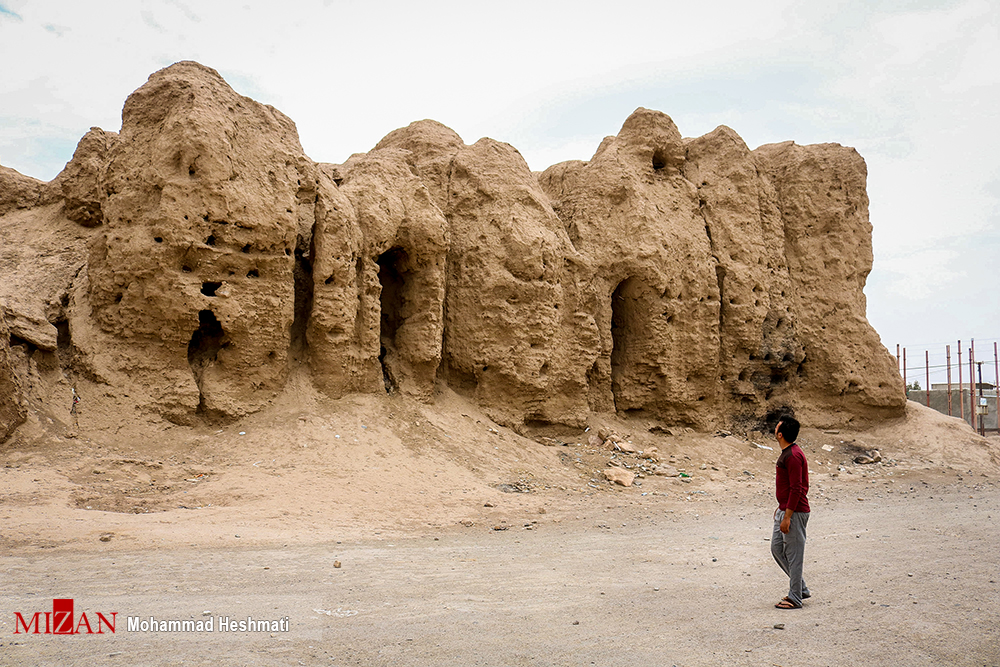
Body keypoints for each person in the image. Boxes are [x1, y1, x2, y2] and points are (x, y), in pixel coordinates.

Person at [771, 416, 811, 609]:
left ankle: (795, 597)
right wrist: (780, 508)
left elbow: (798, 488)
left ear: (780, 434)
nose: (775, 426)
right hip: (786, 509)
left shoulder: (793, 455)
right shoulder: (788, 453)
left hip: (795, 512)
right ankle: (800, 587)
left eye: (777, 425)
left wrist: (787, 515)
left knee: (794, 555)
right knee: (777, 548)